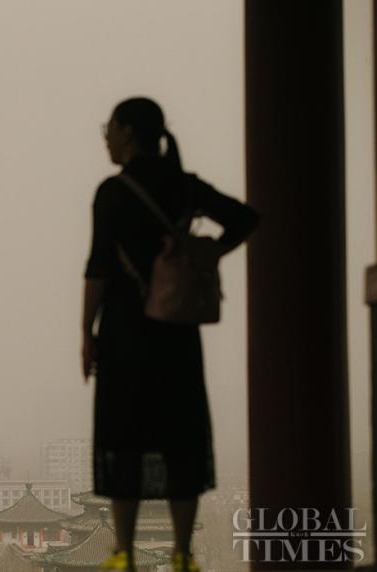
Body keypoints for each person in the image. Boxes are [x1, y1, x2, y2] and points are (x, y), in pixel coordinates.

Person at [81, 97, 259, 572]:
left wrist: (85, 332)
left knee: (123, 434)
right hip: (177, 332)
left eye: (110, 127)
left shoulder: (113, 192)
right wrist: (209, 253)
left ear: (128, 132)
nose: (106, 136)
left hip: (124, 331)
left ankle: (124, 552)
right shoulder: (183, 186)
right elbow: (244, 218)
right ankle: (183, 553)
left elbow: (99, 268)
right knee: (181, 434)